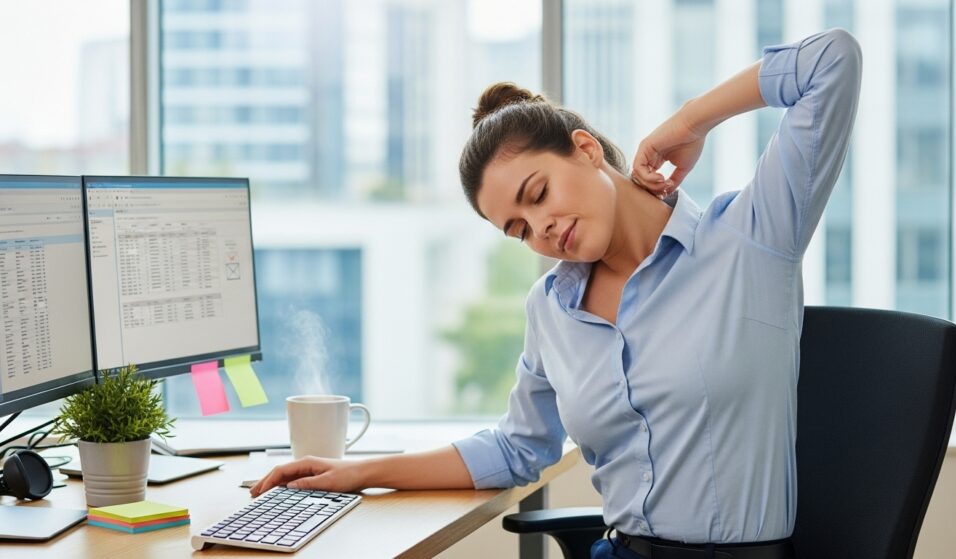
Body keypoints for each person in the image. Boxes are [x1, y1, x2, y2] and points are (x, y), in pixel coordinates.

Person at [250, 28, 861, 559]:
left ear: (586, 149)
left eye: (537, 195)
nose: (538, 229)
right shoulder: (552, 309)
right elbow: (518, 446)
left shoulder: (751, 241)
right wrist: (356, 474)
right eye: (517, 230)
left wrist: (686, 122)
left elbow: (832, 60)